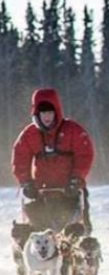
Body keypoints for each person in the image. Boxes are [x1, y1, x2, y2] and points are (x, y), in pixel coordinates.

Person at [11, 88, 96, 231]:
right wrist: (26, 182)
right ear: (37, 114)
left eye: (50, 112)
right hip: (41, 190)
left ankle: (83, 246)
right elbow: (20, 158)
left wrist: (76, 178)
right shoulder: (29, 134)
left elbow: (85, 155)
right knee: (37, 226)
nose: (47, 117)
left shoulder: (73, 130)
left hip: (70, 189)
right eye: (43, 113)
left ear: (57, 112)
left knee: (78, 227)